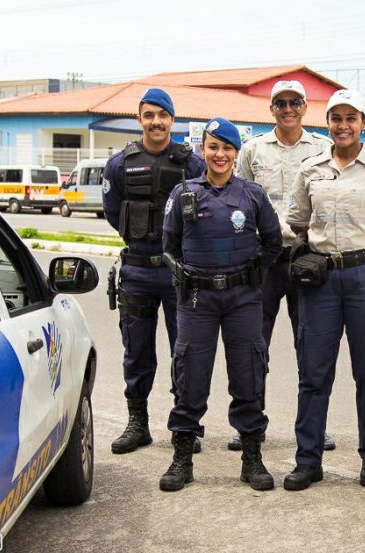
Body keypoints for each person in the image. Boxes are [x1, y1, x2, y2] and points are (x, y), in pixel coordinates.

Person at [283, 90, 365, 491]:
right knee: (313, 373)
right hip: (320, 281)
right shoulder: (311, 169)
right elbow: (298, 221)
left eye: (350, 118)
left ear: (363, 122)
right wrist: (327, 252)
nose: (343, 125)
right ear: (327, 123)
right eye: (335, 118)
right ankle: (308, 460)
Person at [159, 117, 282, 492]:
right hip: (197, 299)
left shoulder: (253, 196)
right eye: (213, 146)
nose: (220, 154)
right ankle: (182, 458)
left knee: (248, 374)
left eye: (227, 148)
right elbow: (169, 246)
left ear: (236, 152)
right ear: (203, 149)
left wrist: (249, 275)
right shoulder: (183, 194)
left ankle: (251, 459)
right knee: (190, 375)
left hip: (243, 299)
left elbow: (274, 243)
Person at [230, 80, 336, 452]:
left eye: (294, 102)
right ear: (271, 109)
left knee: (310, 346)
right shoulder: (252, 150)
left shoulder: (324, 149)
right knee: (254, 344)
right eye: (280, 103)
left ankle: (314, 427)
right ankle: (250, 423)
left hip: (307, 258)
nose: (287, 108)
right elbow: (236, 200)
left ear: (305, 107)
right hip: (263, 261)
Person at [102, 88, 206, 455]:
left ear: (172, 120)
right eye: (149, 115)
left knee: (187, 350)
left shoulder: (192, 163)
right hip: (137, 272)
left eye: (163, 115)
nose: (156, 121)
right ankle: (138, 423)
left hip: (180, 273)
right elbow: (114, 213)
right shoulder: (118, 164)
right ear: (139, 119)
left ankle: (186, 426)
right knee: (137, 352)